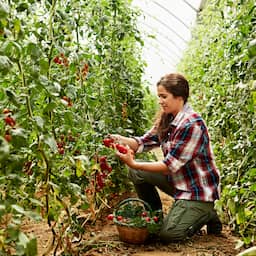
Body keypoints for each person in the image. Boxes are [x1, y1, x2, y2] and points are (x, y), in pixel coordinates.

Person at [110, 73, 222, 243]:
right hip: (179, 183)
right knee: (135, 172)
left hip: (197, 192)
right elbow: (143, 142)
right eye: (159, 97)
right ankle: (154, 216)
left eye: (164, 96)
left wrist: (134, 163)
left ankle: (207, 213)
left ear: (180, 97)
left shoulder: (192, 124)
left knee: (169, 235)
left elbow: (168, 166)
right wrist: (118, 139)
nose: (160, 101)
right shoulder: (168, 118)